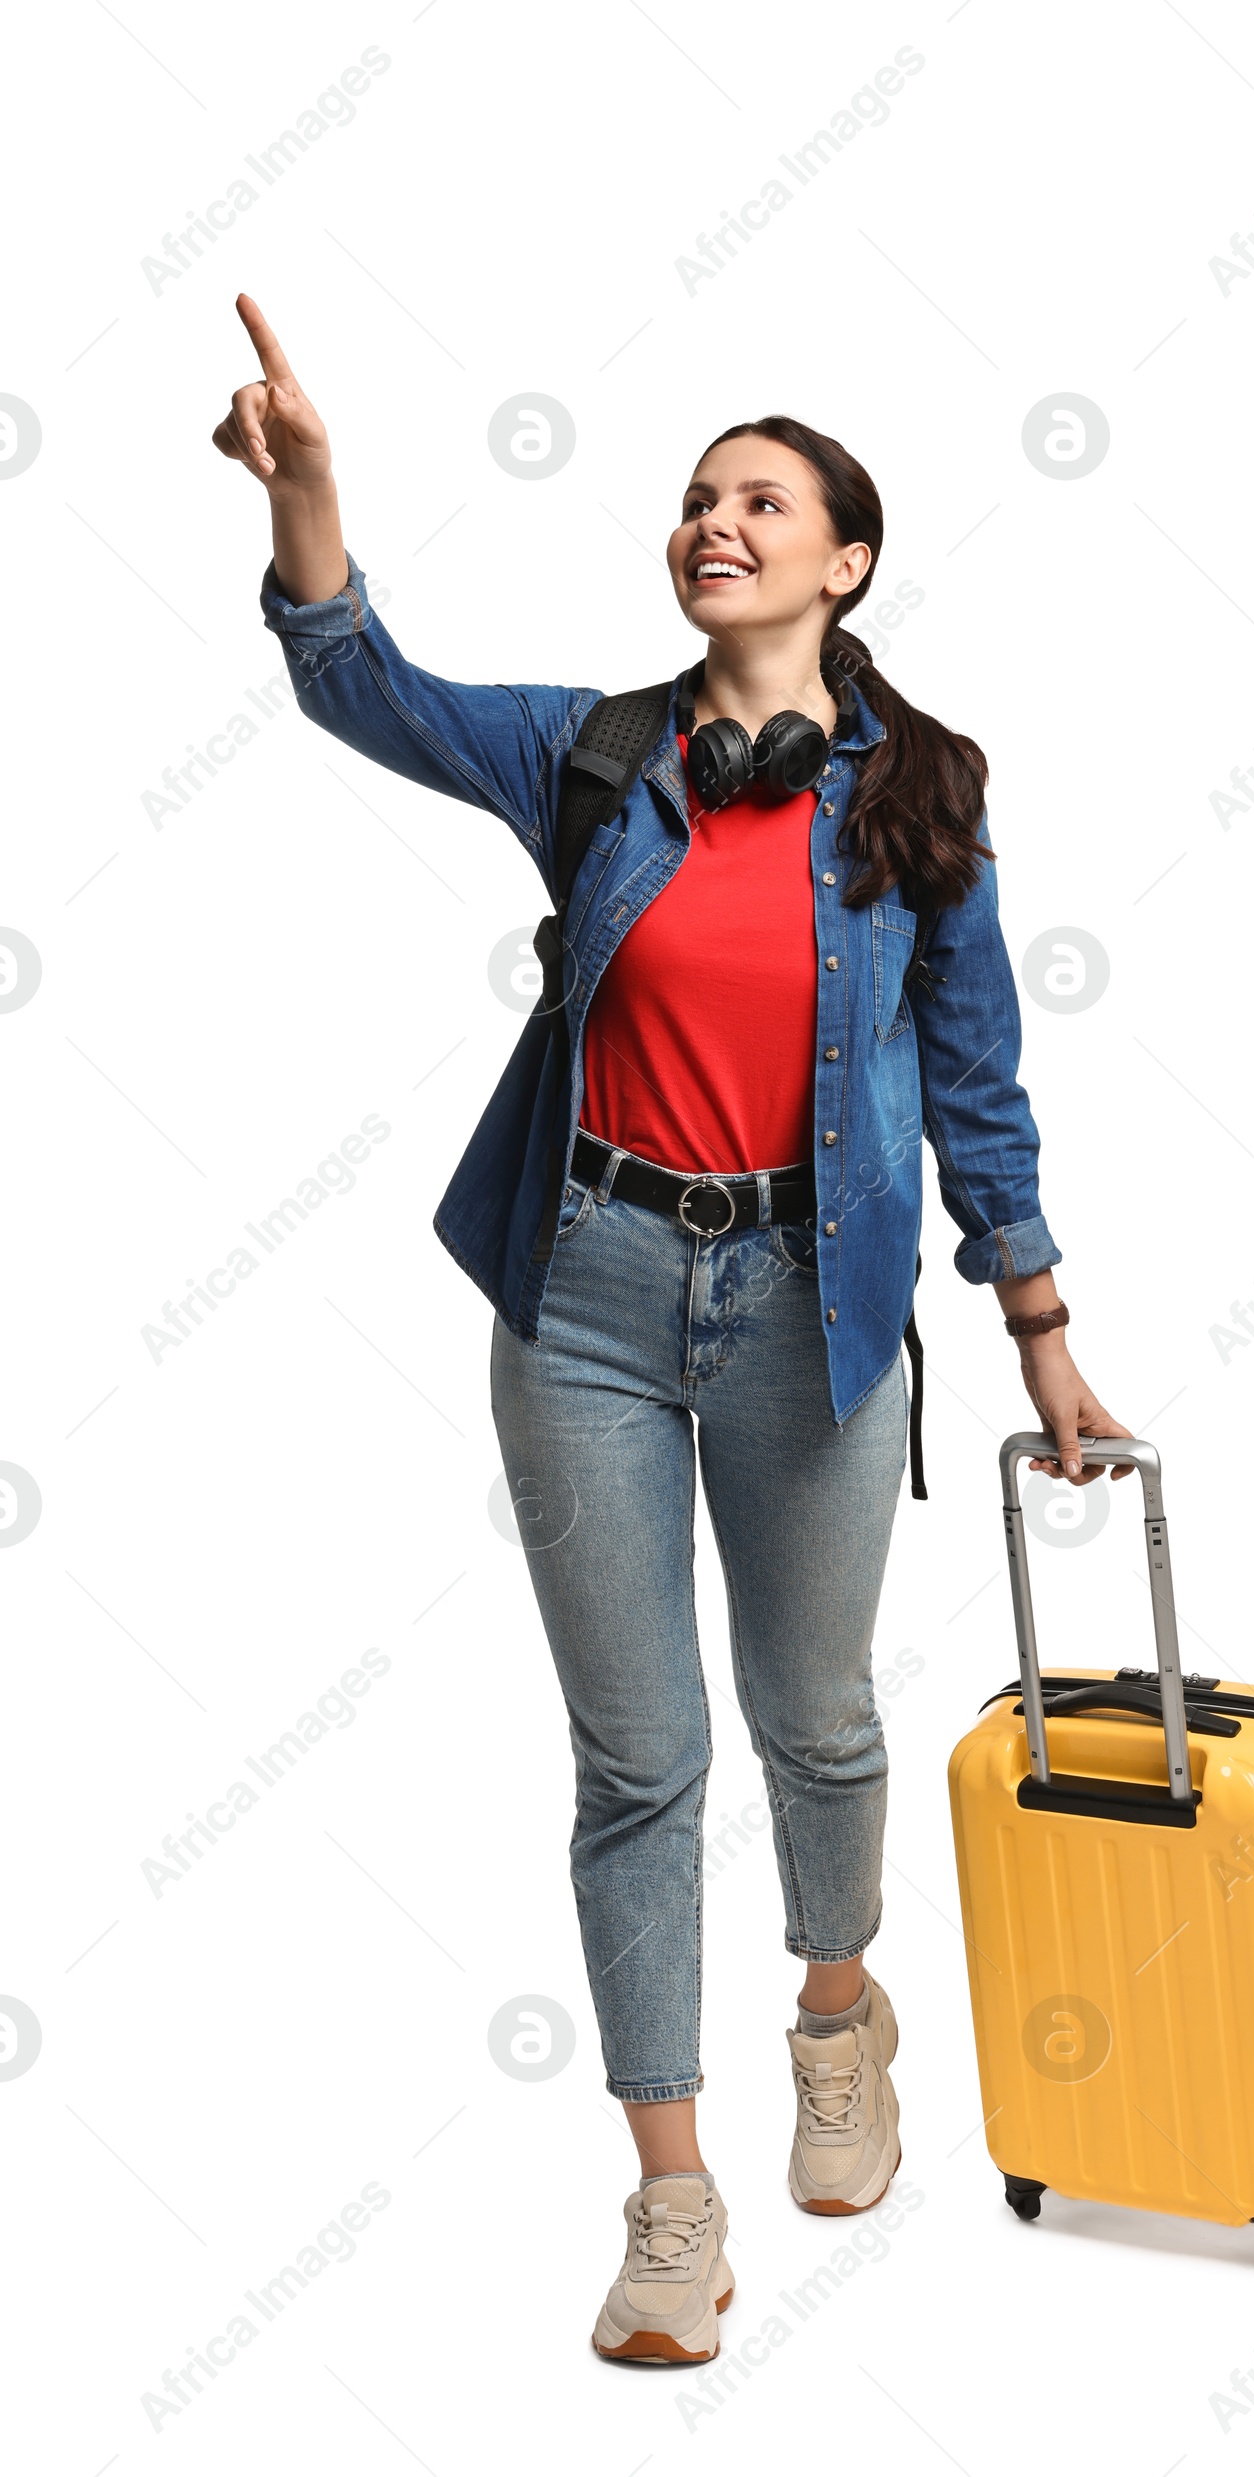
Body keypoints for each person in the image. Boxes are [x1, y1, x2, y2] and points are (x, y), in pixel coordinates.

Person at [213, 293, 1133, 2364]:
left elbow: (975, 1085)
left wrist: (1040, 1327)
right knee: (636, 1760)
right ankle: (668, 2201)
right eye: (697, 498)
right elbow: (365, 687)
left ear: (844, 562)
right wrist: (312, 502)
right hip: (590, 1302)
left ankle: (836, 2016)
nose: (715, 520)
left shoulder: (921, 801)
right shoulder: (592, 753)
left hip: (816, 1310)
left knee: (814, 1723)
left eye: (761, 499)